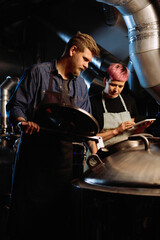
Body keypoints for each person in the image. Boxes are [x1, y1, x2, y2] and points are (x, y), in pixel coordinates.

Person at [6, 31, 100, 240]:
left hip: (64, 165)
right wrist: (22, 123)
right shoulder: (37, 73)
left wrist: (97, 157)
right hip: (34, 163)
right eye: (85, 59)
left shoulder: (81, 87)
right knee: (27, 223)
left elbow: (87, 129)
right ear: (73, 50)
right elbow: (16, 106)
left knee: (59, 223)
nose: (86, 65)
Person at [90, 63, 141, 147]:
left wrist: (140, 128)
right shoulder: (92, 102)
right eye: (113, 85)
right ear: (105, 81)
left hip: (125, 151)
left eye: (120, 86)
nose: (116, 90)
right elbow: (90, 139)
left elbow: (131, 131)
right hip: (103, 153)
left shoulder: (129, 101)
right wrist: (117, 131)